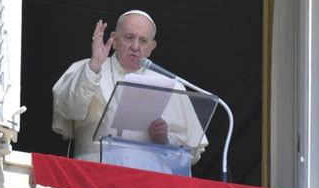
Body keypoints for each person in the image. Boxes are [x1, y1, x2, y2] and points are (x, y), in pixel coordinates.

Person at [52, 10, 208, 174]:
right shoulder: (86, 69)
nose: (135, 46)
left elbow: (191, 154)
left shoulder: (172, 86)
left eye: (143, 40)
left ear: (151, 47)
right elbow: (68, 110)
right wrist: (94, 66)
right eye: (129, 37)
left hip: (150, 180)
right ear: (114, 39)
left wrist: (165, 140)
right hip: (92, 172)